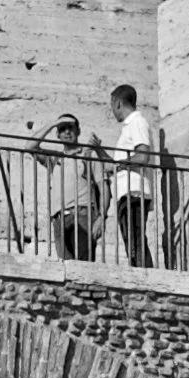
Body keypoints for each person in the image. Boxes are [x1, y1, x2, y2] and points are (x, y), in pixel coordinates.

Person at [33, 114, 109, 261]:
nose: (67, 132)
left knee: (84, 265)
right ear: (58, 134)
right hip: (59, 219)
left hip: (82, 215)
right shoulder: (55, 158)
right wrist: (52, 123)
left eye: (71, 128)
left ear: (78, 131)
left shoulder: (88, 155)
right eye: (62, 129)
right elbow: (30, 146)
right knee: (65, 268)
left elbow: (104, 187)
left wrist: (101, 218)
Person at [109, 84, 157, 268]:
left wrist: (123, 164)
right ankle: (139, 272)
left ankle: (146, 276)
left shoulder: (137, 122)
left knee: (135, 239)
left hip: (134, 191)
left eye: (112, 106)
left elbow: (143, 155)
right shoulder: (128, 126)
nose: (113, 111)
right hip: (126, 192)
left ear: (118, 103)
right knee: (131, 240)